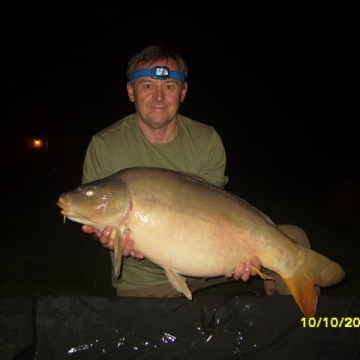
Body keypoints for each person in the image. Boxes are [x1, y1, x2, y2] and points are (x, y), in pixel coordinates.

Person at [81, 45, 313, 298]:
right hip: (146, 280)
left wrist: (236, 255)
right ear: (130, 91)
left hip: (206, 262)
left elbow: (217, 210)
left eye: (169, 86)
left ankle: (294, 327)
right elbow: (95, 221)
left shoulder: (206, 139)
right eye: (147, 86)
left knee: (292, 240)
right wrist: (102, 238)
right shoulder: (105, 145)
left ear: (183, 92)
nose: (158, 97)